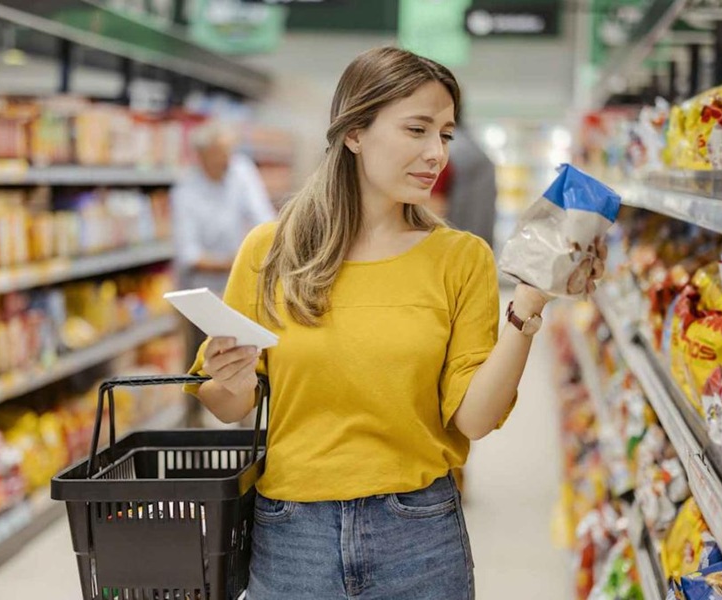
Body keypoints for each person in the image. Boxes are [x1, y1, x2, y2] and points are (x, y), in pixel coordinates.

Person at [185, 47, 604, 599]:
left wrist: (529, 304)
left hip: (419, 534)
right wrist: (230, 379)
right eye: (417, 129)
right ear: (355, 132)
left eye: (445, 135)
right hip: (293, 537)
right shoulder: (273, 250)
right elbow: (226, 403)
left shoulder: (461, 258)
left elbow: (475, 418)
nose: (437, 154)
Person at [170, 121, 276, 369]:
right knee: (201, 363)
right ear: (201, 156)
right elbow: (190, 256)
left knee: (243, 359)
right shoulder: (185, 192)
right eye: (219, 153)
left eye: (229, 151)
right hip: (201, 294)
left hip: (238, 286)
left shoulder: (241, 171)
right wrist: (238, 263)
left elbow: (264, 219)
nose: (227, 159)